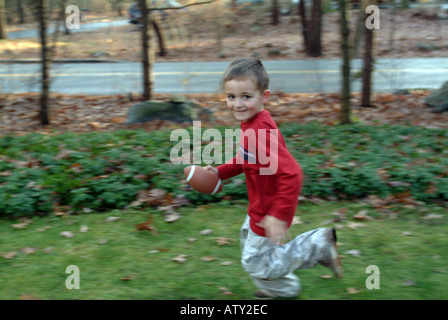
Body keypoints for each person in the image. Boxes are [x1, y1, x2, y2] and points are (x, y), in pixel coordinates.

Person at [206, 57, 343, 299]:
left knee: (255, 262)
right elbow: (245, 160)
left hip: (270, 211)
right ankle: (282, 292)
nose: (237, 104)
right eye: (231, 97)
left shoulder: (258, 131)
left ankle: (317, 245)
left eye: (246, 96)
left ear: (264, 96)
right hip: (260, 207)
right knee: (256, 253)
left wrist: (278, 216)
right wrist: (219, 172)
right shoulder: (253, 123)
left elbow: (292, 173)